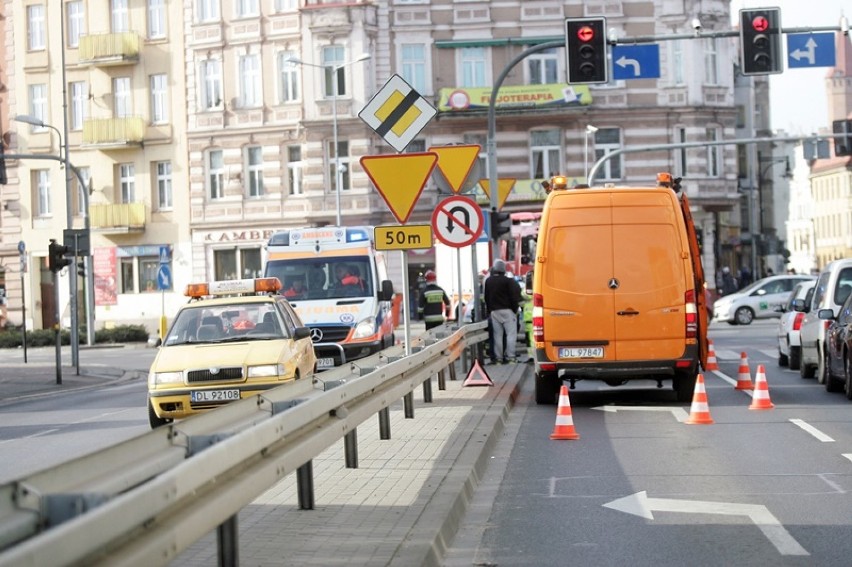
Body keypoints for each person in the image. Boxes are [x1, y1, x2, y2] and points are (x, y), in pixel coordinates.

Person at [484, 258, 523, 364]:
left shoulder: (489, 281)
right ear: (503, 270)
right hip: (507, 311)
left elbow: (486, 297)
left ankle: (498, 359)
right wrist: (514, 310)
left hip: (494, 312)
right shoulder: (508, 281)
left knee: (497, 336)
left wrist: (489, 311)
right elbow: (514, 297)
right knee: (511, 335)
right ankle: (511, 357)